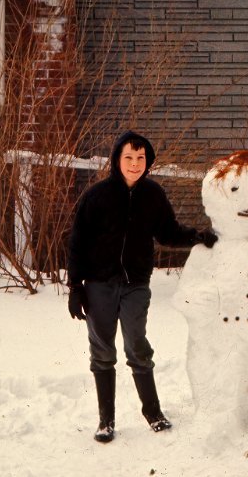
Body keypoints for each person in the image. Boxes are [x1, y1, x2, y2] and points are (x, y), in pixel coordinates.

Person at [67, 130, 217, 443]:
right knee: (102, 350)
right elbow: (77, 243)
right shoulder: (96, 197)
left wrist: (196, 237)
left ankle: (153, 412)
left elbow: (167, 233)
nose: (135, 163)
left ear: (147, 162)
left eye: (141, 158)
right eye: (129, 157)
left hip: (135, 284)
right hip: (98, 285)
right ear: (116, 160)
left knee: (137, 344)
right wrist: (75, 286)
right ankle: (106, 420)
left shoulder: (153, 195)